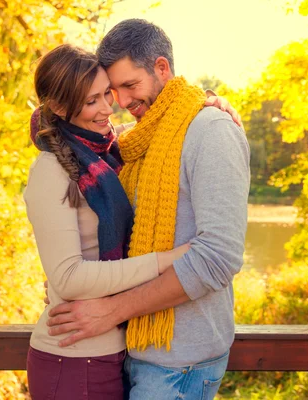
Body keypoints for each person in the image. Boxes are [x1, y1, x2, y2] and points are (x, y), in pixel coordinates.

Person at [45, 19, 251, 400]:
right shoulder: (133, 141)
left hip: (180, 363)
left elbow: (218, 258)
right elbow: (60, 126)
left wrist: (112, 310)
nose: (121, 103)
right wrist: (74, 284)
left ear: (161, 68)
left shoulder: (211, 131)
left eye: (130, 86)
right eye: (112, 91)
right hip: (128, 349)